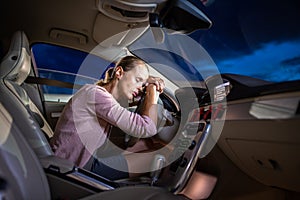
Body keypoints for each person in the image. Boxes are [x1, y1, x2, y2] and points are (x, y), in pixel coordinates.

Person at [50, 55, 165, 180]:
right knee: (157, 156)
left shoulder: (100, 96)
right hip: (75, 165)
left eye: (142, 85)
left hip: (79, 157)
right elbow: (147, 128)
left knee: (146, 145)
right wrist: (153, 93)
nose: (140, 87)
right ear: (119, 72)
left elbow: (124, 106)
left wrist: (145, 83)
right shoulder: (96, 95)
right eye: (138, 80)